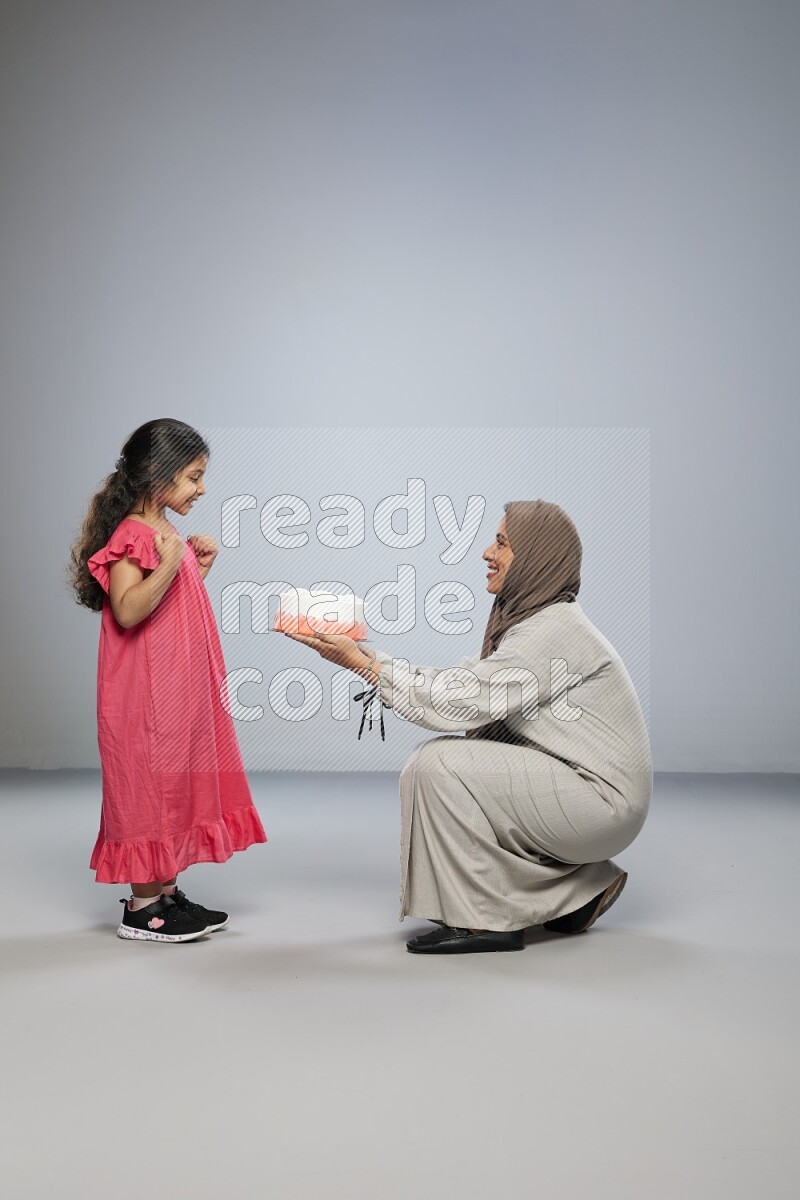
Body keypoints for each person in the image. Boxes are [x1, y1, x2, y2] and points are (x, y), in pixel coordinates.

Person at [284, 499, 652, 955]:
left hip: (601, 805)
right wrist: (367, 658)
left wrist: (366, 667)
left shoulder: (552, 630)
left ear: (536, 555)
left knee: (438, 765)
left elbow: (459, 702)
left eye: (501, 542)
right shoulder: (535, 621)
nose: (486, 553)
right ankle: (577, 892)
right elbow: (462, 682)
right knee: (462, 766)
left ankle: (483, 920)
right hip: (590, 795)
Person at [68, 418, 267, 942]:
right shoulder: (133, 533)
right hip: (144, 696)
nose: (202, 489)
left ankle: (167, 894)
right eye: (194, 477)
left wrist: (194, 568)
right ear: (159, 473)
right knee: (147, 787)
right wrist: (170, 561)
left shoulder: (165, 531)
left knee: (174, 783)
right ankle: (142, 908)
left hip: (175, 691)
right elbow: (129, 609)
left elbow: (168, 606)